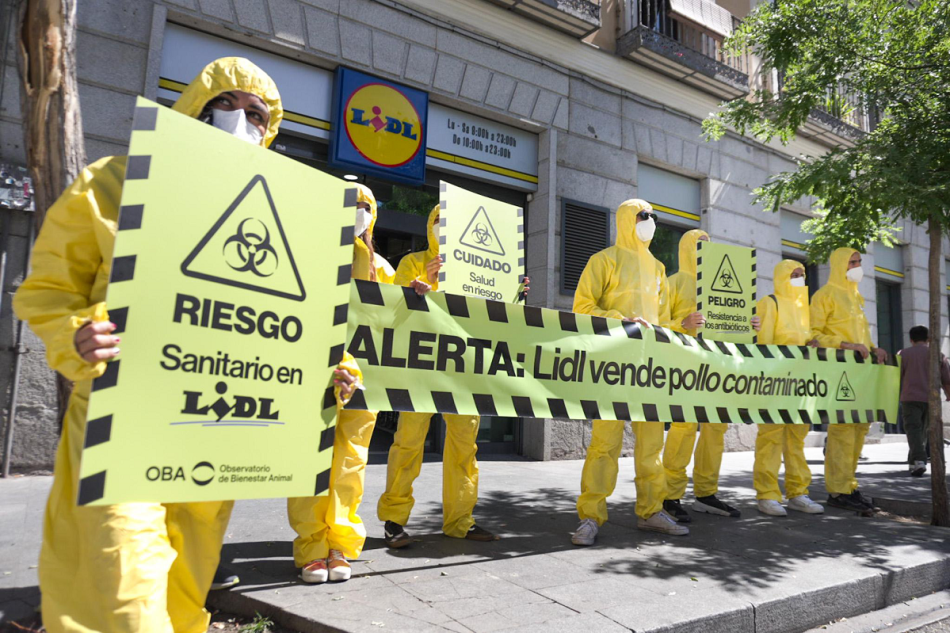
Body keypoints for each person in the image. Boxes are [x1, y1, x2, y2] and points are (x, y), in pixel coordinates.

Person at [13, 57, 284, 633]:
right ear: (193, 108)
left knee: (185, 588)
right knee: (121, 592)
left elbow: (292, 319)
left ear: (271, 131)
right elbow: (48, 290)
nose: (239, 119)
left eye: (255, 113)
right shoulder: (114, 184)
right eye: (224, 104)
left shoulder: (281, 213)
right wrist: (74, 336)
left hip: (213, 431)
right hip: (122, 423)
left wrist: (328, 375)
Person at [286, 183, 395, 584]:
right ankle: (311, 547)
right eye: (351, 204)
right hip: (315, 374)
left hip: (365, 381)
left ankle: (340, 546)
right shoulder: (309, 253)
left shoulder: (381, 268)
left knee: (351, 463)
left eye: (366, 205)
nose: (358, 211)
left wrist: (419, 294)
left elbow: (397, 322)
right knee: (309, 459)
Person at [377, 205, 499, 548]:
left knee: (464, 445)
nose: (444, 228)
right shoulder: (412, 263)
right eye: (439, 222)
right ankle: (394, 519)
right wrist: (420, 286)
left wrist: (512, 292)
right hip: (422, 365)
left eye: (452, 223)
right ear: (430, 226)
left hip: (463, 368)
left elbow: (488, 316)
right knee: (409, 442)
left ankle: (461, 520)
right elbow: (394, 312)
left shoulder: (480, 269)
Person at [571, 199, 688, 546]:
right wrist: (620, 320)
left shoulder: (658, 268)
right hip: (613, 366)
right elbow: (582, 307)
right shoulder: (604, 260)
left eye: (653, 216)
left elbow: (663, 320)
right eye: (642, 216)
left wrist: (679, 327)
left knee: (651, 444)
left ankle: (651, 511)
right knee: (604, 444)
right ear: (626, 220)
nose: (649, 221)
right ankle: (590, 516)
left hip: (649, 367)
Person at [662, 230, 759, 522]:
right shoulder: (674, 282)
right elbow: (656, 323)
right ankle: (669, 495)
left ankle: (706, 492)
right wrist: (681, 322)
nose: (705, 248)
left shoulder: (727, 287)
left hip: (718, 369)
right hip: (686, 370)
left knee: (716, 430)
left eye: (708, 243)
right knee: (683, 430)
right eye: (699, 244)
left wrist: (749, 324)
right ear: (687, 248)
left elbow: (731, 326)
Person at [810, 247, 887, 513]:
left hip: (861, 374)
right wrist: (846, 345)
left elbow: (861, 337)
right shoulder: (825, 296)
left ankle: (850, 485)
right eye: (851, 262)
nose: (856, 266)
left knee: (860, 427)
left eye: (859, 261)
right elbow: (815, 336)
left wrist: (874, 348)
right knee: (842, 431)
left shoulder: (856, 297)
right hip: (838, 371)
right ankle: (838, 490)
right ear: (839, 265)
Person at [752, 261, 825, 516]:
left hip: (801, 385)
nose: (798, 278)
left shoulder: (804, 309)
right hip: (775, 383)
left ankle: (798, 493)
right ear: (781, 276)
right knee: (770, 440)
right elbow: (763, 345)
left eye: (801, 275)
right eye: (793, 274)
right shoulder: (770, 302)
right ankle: (767, 494)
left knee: (797, 440)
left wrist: (813, 343)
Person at [897, 325, 950, 477]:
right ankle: (913, 462)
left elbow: (895, 377)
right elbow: (947, 380)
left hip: (910, 397)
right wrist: (948, 394)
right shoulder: (939, 355)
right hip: (931, 398)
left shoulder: (903, 354)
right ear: (928, 339)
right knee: (923, 431)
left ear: (911, 339)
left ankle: (919, 460)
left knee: (913, 429)